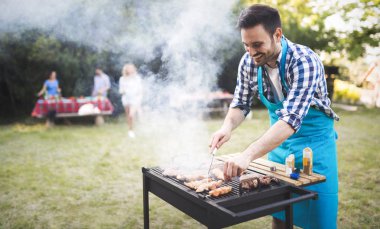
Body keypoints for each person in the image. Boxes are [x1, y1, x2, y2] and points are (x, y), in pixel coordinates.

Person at [210, 4, 339, 229]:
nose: (251, 52)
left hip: (314, 148)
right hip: (277, 148)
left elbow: (290, 120)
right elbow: (240, 104)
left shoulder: (304, 61)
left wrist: (247, 155)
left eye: (257, 44)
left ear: (277, 34)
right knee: (280, 215)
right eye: (246, 45)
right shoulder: (249, 61)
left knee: (319, 218)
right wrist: (226, 127)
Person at [119, 64, 143, 138]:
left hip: (135, 99)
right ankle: (130, 130)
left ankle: (133, 129)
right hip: (126, 99)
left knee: (131, 115)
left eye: (132, 68)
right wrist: (123, 91)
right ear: (126, 70)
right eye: (129, 68)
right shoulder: (122, 79)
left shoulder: (137, 78)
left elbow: (140, 90)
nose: (130, 70)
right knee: (128, 116)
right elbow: (121, 90)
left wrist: (139, 98)